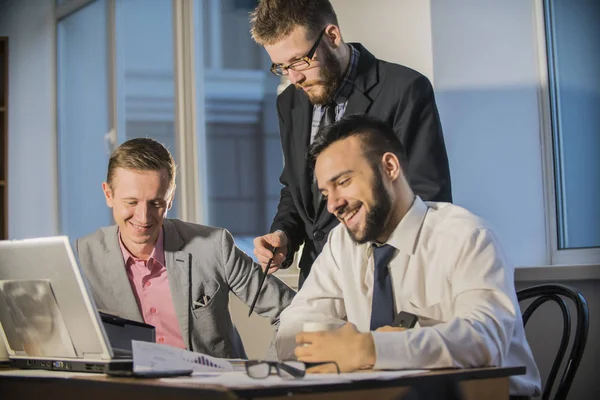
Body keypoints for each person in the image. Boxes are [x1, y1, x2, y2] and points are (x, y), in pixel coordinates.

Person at [274, 115, 541, 398]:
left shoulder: (467, 236)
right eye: (326, 192)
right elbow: (291, 330)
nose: (333, 205)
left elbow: (485, 341)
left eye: (344, 181)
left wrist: (369, 348)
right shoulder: (341, 242)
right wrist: (342, 344)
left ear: (389, 167)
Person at [250, 0, 452, 287]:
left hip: (387, 278)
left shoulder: (404, 89)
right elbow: (295, 188)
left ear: (332, 36)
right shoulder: (289, 102)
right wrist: (283, 235)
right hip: (318, 279)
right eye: (282, 67)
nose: (294, 78)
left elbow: (428, 195)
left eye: (299, 61)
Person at [75, 138, 295, 359]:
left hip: (211, 390)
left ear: (170, 198)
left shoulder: (213, 247)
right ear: (108, 195)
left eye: (156, 203)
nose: (143, 217)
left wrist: (269, 374)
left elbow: (294, 311)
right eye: (131, 202)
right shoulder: (82, 257)